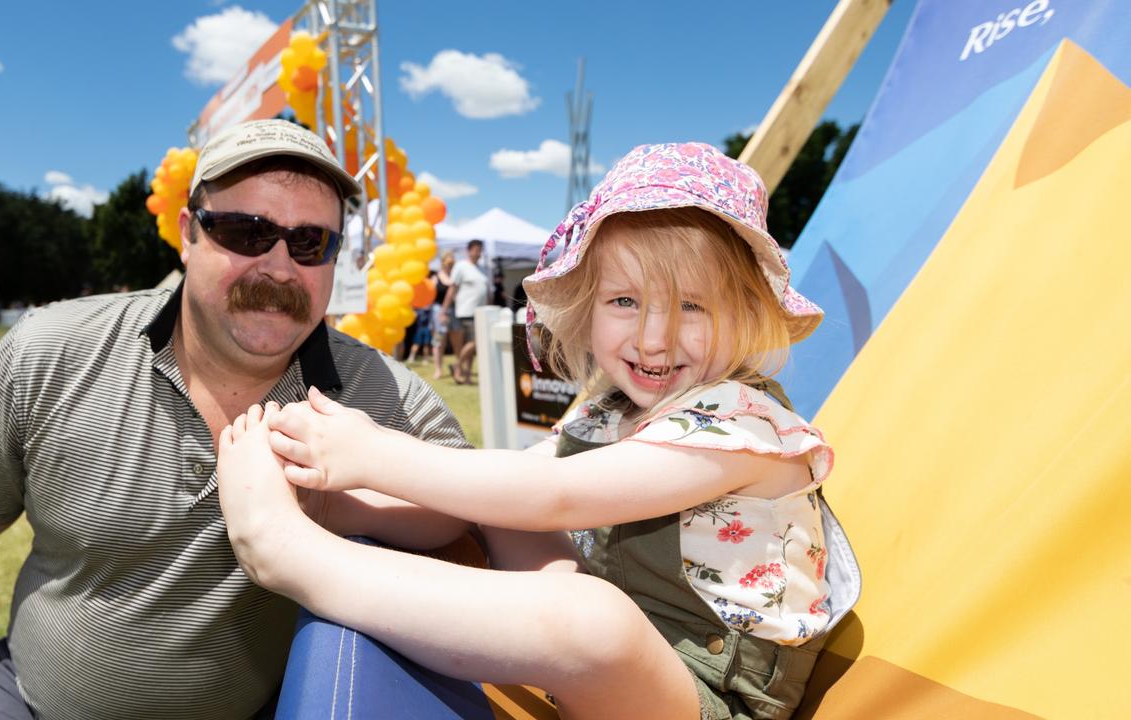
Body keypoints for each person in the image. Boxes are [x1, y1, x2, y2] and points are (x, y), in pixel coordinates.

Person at [215, 143, 861, 720]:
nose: (654, 337)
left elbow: (554, 492)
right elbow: (498, 498)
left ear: (747, 313)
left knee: (593, 616)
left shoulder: (741, 424)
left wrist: (377, 453)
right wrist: (340, 495)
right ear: (585, 307)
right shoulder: (610, 409)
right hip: (615, 657)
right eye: (624, 301)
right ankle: (328, 518)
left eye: (693, 306)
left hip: (698, 696)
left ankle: (292, 555)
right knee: (494, 498)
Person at [0, 119, 470, 720]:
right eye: (246, 232)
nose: (278, 269)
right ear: (187, 235)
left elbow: (475, 518)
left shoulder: (384, 398)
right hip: (23, 698)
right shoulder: (49, 350)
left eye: (309, 243)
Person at [441, 239, 490, 384]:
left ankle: (466, 375)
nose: (478, 252)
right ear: (469, 250)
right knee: (476, 342)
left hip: (481, 312)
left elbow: (486, 291)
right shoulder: (461, 266)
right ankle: (458, 365)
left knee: (473, 346)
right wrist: (444, 310)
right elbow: (452, 288)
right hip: (466, 311)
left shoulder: (483, 269)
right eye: (475, 249)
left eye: (480, 249)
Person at [430, 250, 456, 380]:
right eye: (448, 263)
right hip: (438, 311)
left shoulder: (455, 276)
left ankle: (457, 367)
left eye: (452, 263)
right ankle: (438, 369)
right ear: (443, 263)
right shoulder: (436, 277)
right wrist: (442, 313)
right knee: (439, 341)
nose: (450, 265)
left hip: (454, 311)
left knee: (454, 340)